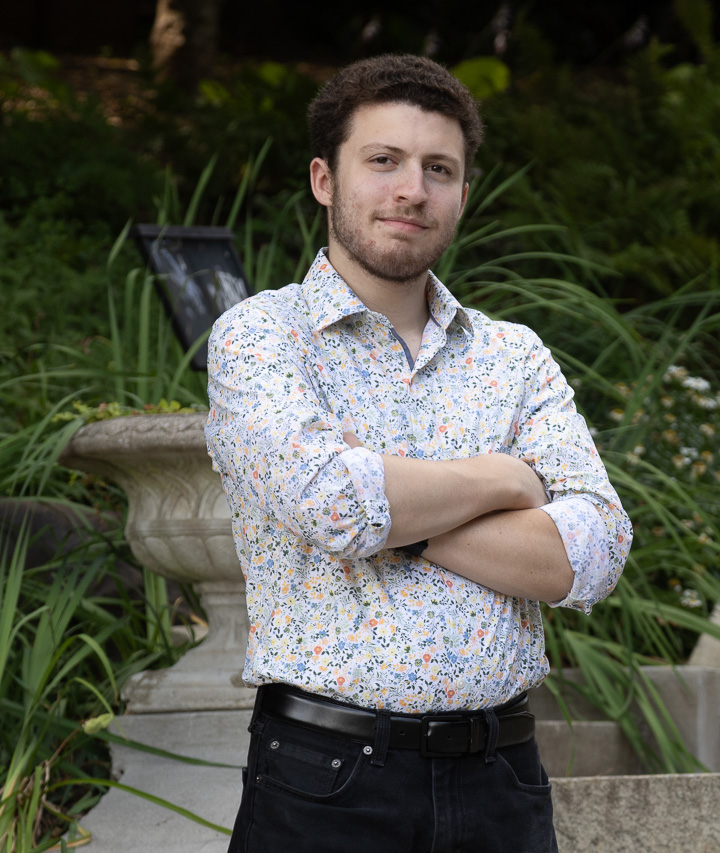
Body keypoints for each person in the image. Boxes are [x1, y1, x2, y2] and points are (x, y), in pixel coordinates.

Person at [205, 53, 632, 853]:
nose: (412, 189)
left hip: (502, 781)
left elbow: (594, 553)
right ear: (325, 179)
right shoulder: (263, 337)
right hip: (325, 783)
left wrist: (391, 507)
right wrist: (506, 479)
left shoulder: (513, 355)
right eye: (384, 160)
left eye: (439, 169)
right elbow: (333, 504)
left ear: (462, 194)